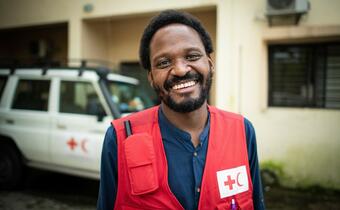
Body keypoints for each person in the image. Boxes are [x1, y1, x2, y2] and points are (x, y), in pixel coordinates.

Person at [97, 10, 265, 210]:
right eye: (164, 63)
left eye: (192, 56)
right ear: (151, 77)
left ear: (210, 65)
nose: (180, 69)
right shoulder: (120, 138)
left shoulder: (242, 131)